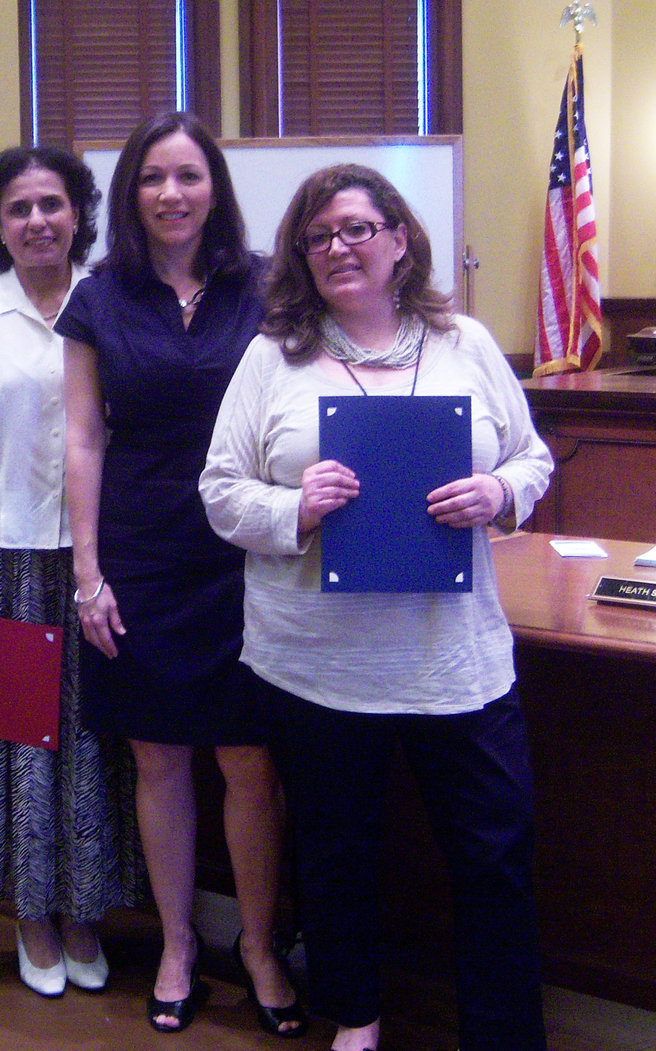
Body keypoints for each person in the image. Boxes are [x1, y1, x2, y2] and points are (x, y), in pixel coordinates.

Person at [199, 163, 553, 1051]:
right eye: (317, 237)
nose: (336, 248)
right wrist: (294, 508)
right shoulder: (271, 358)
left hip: (455, 664)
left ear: (401, 240)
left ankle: (503, 1036)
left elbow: (534, 459)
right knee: (337, 855)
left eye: (357, 228)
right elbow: (219, 491)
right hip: (320, 663)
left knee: (494, 859)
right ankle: (355, 1020)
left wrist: (498, 491)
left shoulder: (465, 343)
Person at [57, 112, 305, 1037]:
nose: (171, 193)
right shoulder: (100, 297)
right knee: (157, 757)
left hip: (247, 553)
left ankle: (258, 946)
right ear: (131, 193)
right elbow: (83, 437)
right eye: (153, 177)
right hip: (143, 550)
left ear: (215, 189)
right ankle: (174, 943)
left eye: (189, 177)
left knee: (249, 759)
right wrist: (88, 572)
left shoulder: (269, 289)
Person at [0, 145, 144, 998]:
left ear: (78, 213)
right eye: (17, 208)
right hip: (11, 558)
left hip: (104, 558)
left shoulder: (114, 304)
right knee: (19, 743)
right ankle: (31, 912)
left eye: (51, 204)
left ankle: (87, 907)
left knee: (94, 742)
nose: (36, 222)